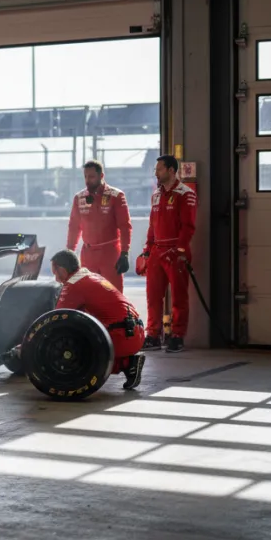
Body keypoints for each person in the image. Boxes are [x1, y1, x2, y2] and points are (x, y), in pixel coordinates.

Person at [50, 249, 146, 389]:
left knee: (74, 349)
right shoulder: (91, 276)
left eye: (55, 273)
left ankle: (126, 363)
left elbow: (54, 320)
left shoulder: (73, 285)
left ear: (62, 270)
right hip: (135, 332)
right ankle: (128, 362)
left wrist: (27, 344)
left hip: (121, 337)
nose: (56, 279)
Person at [138, 154, 196, 353]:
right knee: (153, 297)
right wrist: (146, 252)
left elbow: (188, 227)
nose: (155, 172)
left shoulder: (185, 193)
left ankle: (177, 336)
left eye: (159, 169)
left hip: (175, 252)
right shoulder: (155, 195)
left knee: (179, 298)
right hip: (156, 252)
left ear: (171, 170)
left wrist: (179, 250)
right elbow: (152, 227)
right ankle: (153, 335)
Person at [67, 160, 132, 290]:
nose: (87, 180)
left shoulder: (116, 195)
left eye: (91, 177)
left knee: (113, 295)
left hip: (110, 253)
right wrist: (69, 253)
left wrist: (125, 253)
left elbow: (125, 226)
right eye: (85, 176)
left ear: (101, 176)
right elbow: (74, 227)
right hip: (87, 255)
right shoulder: (79, 198)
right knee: (89, 296)